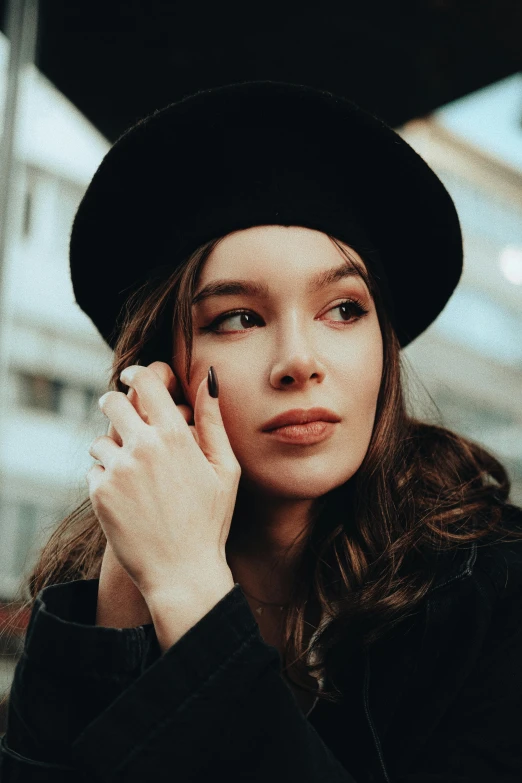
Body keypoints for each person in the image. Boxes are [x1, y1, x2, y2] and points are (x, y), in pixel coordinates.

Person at [1, 80, 521, 783]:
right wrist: (127, 587)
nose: (300, 361)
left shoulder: (495, 587)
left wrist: (191, 592)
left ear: (383, 348)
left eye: (343, 308)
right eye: (239, 318)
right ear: (163, 368)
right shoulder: (90, 590)